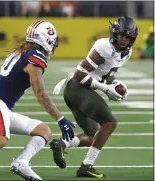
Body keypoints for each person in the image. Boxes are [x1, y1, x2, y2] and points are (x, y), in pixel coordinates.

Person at [0, 20, 75, 181]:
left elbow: (2, 80)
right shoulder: (35, 58)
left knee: (43, 130)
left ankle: (21, 162)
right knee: (0, 139)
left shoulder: (24, 51)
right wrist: (60, 118)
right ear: (46, 40)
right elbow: (40, 93)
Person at [50, 16, 138, 178]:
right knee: (110, 123)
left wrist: (116, 84)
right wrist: (105, 89)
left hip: (77, 90)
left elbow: (106, 75)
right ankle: (86, 166)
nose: (124, 40)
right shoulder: (104, 47)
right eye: (121, 35)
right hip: (77, 87)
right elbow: (79, 74)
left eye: (128, 37)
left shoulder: (126, 53)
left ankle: (61, 144)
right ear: (114, 34)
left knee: (93, 136)